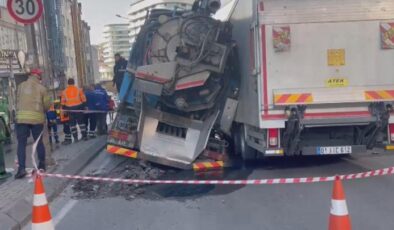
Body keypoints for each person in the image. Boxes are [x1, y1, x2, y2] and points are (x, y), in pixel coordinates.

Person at [15, 69, 51, 179]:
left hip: (21, 119)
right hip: (37, 119)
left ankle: (21, 169)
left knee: (21, 144)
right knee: (39, 142)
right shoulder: (42, 89)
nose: (41, 77)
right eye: (40, 75)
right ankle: (41, 166)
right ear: (37, 76)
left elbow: (17, 100)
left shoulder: (21, 86)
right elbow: (46, 105)